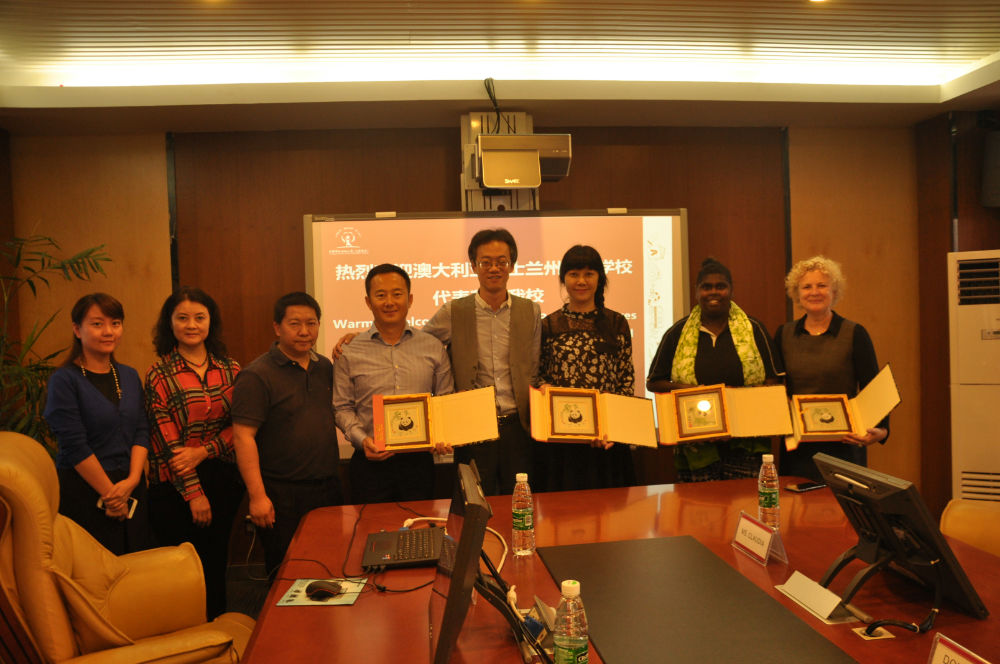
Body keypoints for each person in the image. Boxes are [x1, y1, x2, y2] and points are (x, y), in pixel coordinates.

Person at [144, 287, 243, 619]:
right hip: (174, 486)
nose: (191, 325)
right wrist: (194, 494)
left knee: (215, 562)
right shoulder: (159, 374)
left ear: (210, 322)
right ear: (169, 323)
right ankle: (187, 634)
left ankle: (217, 630)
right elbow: (167, 443)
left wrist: (204, 451)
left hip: (222, 477)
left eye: (199, 317)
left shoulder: (230, 369)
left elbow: (241, 427)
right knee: (183, 569)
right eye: (182, 318)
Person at [423, 229, 542, 495]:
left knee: (519, 502)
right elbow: (417, 346)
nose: (494, 268)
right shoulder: (453, 311)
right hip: (472, 426)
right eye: (485, 262)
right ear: (473, 266)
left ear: (512, 265)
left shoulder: (530, 310)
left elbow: (534, 369)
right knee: (475, 504)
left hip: (518, 427)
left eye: (501, 261)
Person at [231, 292, 342, 575]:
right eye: (295, 324)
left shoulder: (324, 367)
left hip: (327, 488)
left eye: (311, 323)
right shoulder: (256, 375)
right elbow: (242, 437)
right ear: (277, 327)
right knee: (287, 572)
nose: (305, 331)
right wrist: (258, 497)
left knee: (328, 568)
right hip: (282, 494)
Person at [647, 258, 782, 482]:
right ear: (696, 292)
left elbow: (773, 381)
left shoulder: (754, 329)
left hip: (746, 444)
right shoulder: (677, 332)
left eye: (720, 286)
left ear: (731, 290)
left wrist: (738, 414)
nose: (713, 292)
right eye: (706, 287)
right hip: (696, 445)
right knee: (698, 504)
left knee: (744, 503)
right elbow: (654, 382)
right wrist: (694, 392)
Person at [333, 264, 455, 503]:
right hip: (369, 463)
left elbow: (444, 399)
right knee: (372, 526)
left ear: (410, 299)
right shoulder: (349, 351)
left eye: (397, 294)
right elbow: (341, 407)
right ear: (368, 302)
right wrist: (362, 440)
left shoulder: (432, 347)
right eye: (381, 295)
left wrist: (442, 434)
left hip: (419, 464)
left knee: (421, 524)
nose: (389, 302)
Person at [43, 293, 153, 554]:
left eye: (115, 323)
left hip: (131, 487)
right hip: (86, 490)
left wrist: (132, 480)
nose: (108, 331)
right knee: (94, 568)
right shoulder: (64, 380)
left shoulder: (128, 375)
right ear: (77, 329)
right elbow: (74, 446)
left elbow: (141, 429)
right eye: (97, 324)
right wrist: (112, 496)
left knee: (136, 565)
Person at [773, 256, 888, 480]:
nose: (814, 292)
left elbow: (873, 388)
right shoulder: (784, 335)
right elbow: (774, 388)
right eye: (807, 287)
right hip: (799, 449)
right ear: (797, 293)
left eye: (822, 285)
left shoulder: (855, 333)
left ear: (834, 291)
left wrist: (881, 431)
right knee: (797, 502)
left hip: (845, 445)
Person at [537, 245, 636, 491]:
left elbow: (625, 380)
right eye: (574, 274)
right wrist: (544, 387)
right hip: (562, 441)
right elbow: (539, 375)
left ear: (600, 278)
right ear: (563, 279)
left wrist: (612, 428)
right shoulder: (549, 325)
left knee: (610, 511)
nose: (581, 281)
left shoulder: (616, 323)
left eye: (589, 274)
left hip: (607, 440)